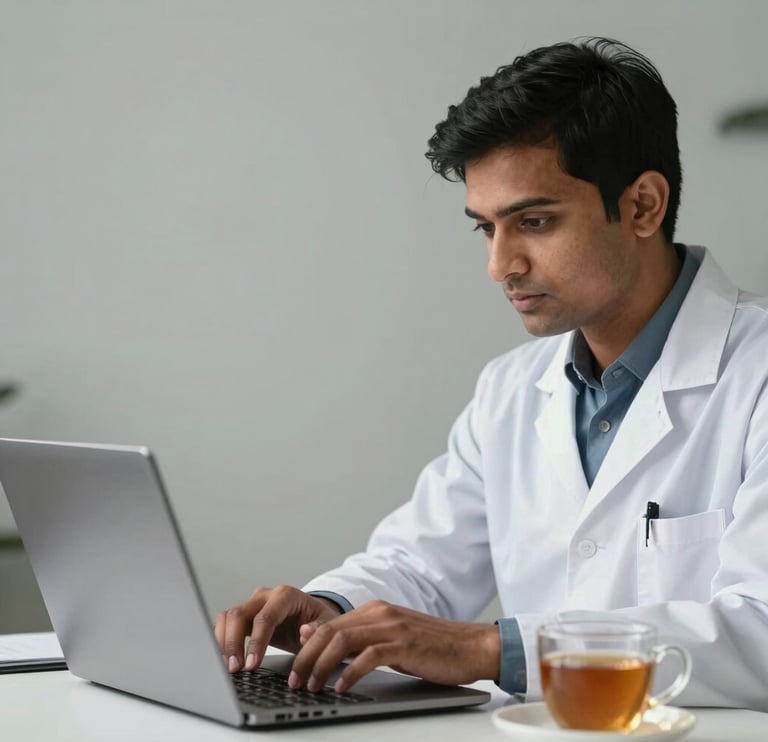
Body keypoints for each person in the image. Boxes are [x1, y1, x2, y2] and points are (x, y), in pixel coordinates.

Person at [216, 37, 768, 708]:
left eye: (533, 221)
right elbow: (422, 565)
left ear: (644, 206)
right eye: (486, 228)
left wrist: (489, 649)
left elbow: (757, 633)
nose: (501, 265)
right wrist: (327, 607)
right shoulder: (510, 390)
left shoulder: (755, 374)